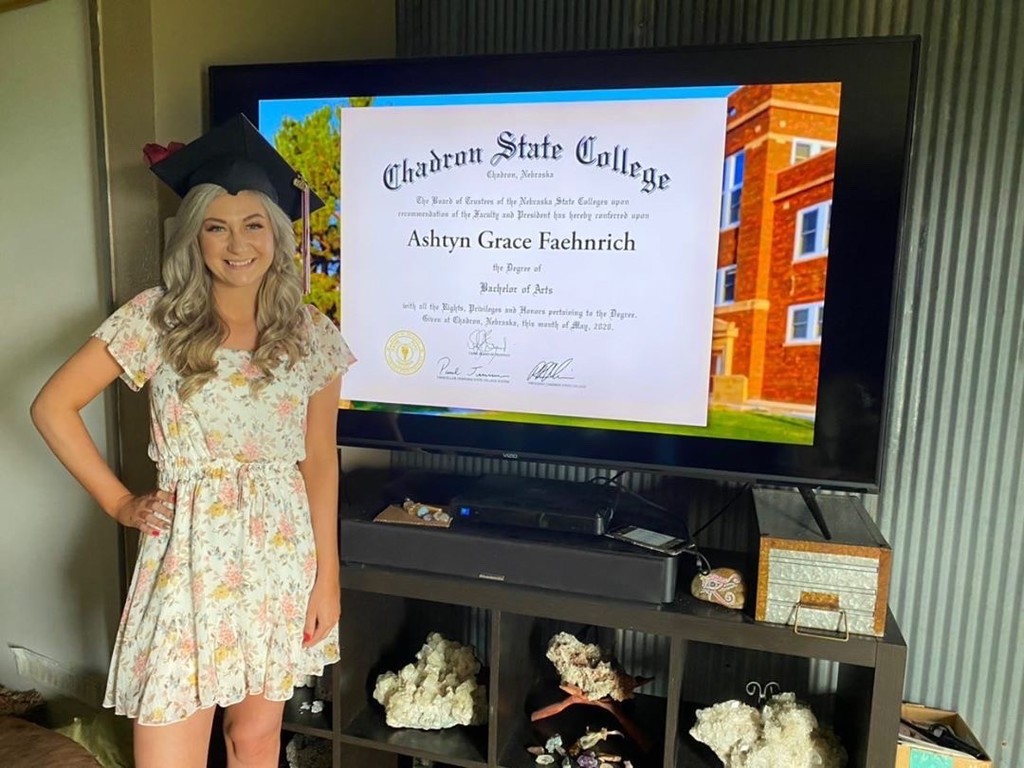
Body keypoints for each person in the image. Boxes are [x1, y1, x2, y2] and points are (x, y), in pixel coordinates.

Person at [30, 114, 355, 768]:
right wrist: (119, 503)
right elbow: (53, 406)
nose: (238, 244)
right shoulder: (157, 317)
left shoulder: (310, 332)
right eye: (217, 226)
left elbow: (320, 460)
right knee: (168, 745)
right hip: (188, 556)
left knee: (255, 740)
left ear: (277, 234)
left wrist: (329, 577)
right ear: (194, 237)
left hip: (279, 553)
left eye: (253, 224)